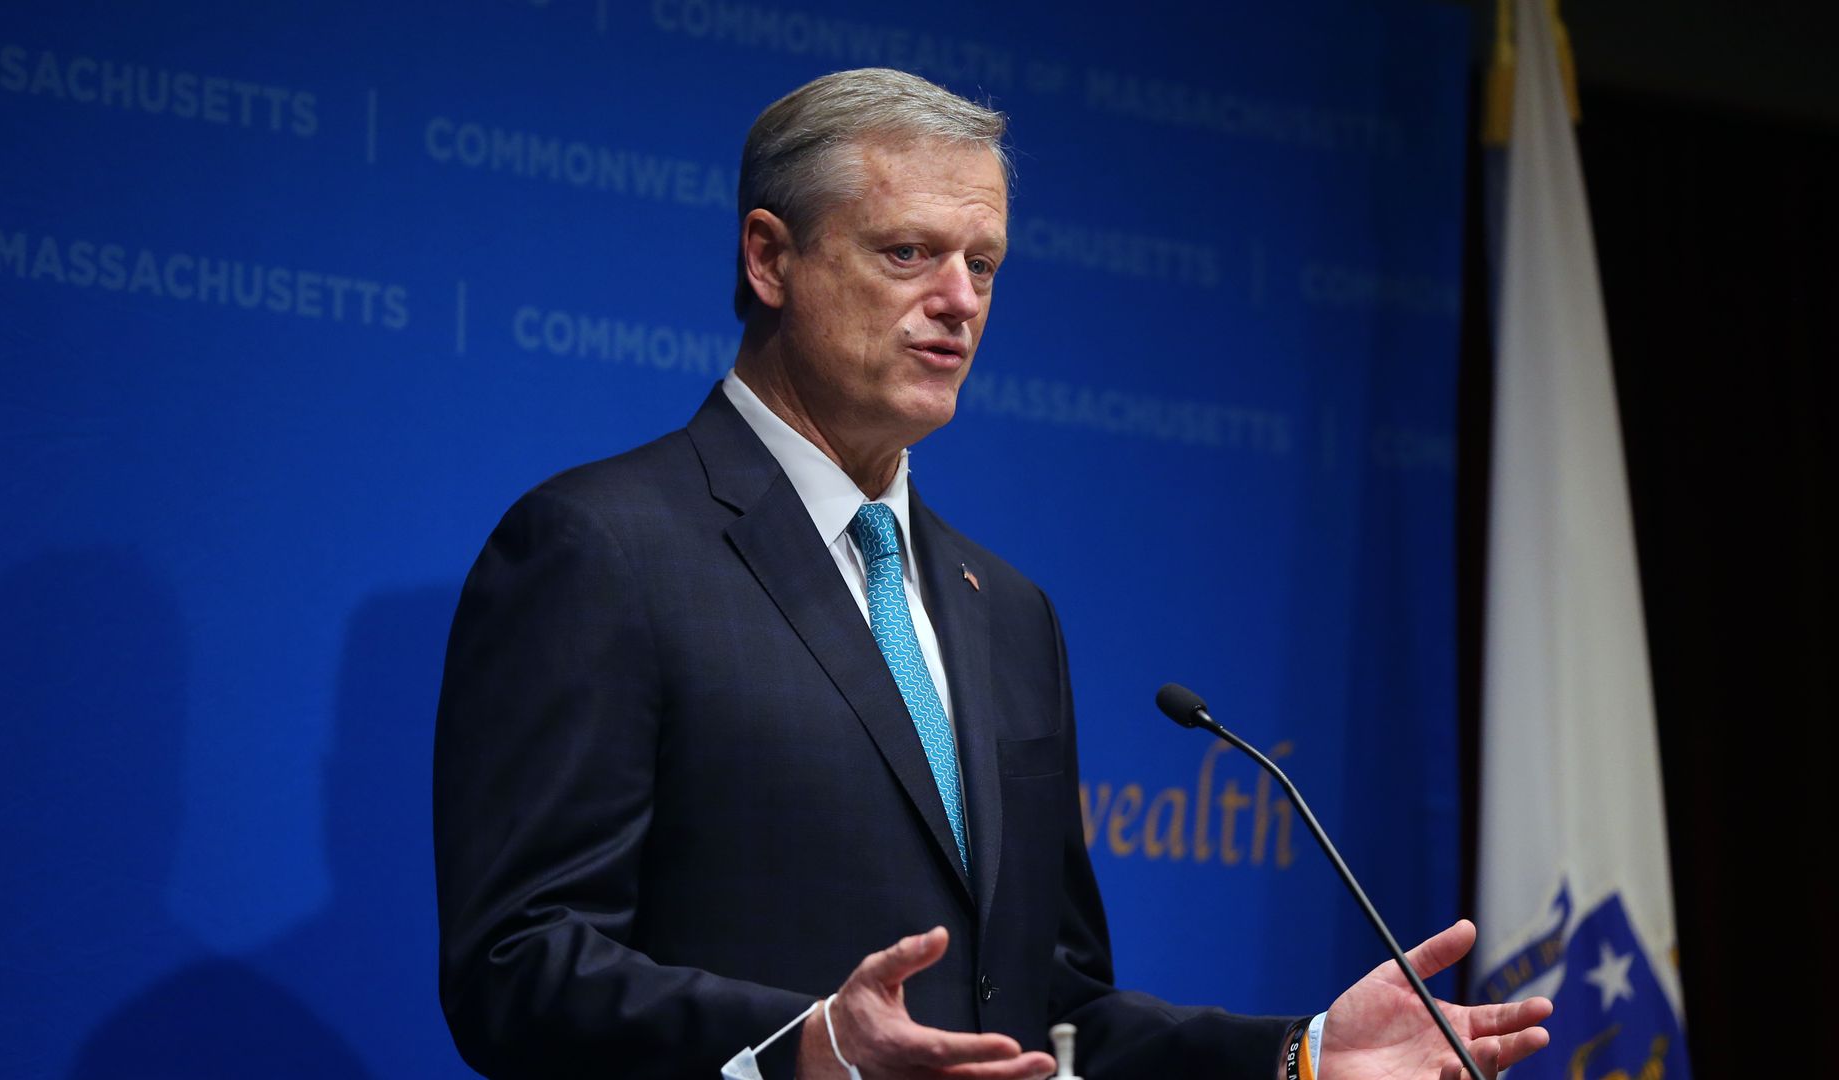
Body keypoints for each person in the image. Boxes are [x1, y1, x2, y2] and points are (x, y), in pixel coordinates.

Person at [433, 67, 1550, 1079]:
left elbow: (1048, 1015)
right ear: (770, 257)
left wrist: (1298, 1061)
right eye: (908, 252)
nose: (961, 300)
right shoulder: (603, 548)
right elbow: (517, 967)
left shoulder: (1008, 613)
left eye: (984, 263)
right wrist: (808, 1049)